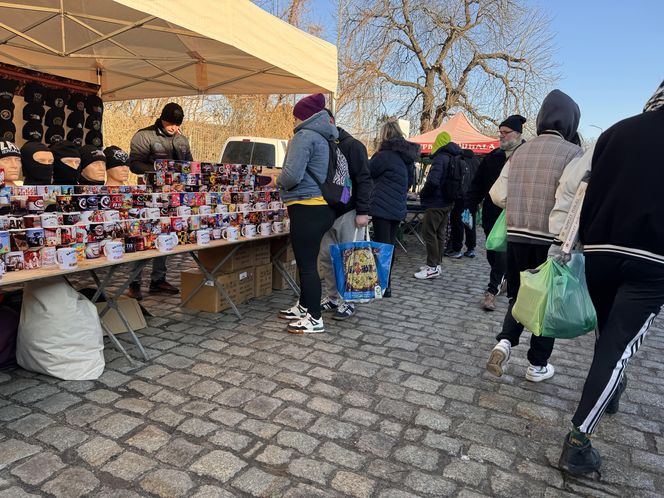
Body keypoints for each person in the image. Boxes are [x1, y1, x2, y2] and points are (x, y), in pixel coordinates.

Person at [550, 80, 664, 476]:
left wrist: (570, 244)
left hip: (601, 252)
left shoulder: (615, 132)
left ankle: (611, 389)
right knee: (616, 347)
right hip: (653, 258)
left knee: (607, 339)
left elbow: (584, 190)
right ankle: (578, 442)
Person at [486, 90, 582, 382]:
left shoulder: (520, 152)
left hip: (517, 235)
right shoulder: (573, 154)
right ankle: (537, 365)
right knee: (546, 304)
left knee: (519, 294)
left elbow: (497, 194)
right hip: (551, 240)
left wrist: (521, 202)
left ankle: (504, 342)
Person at [276, 93, 337, 334]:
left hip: (306, 206)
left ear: (304, 116)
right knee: (308, 262)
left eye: (296, 116)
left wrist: (276, 182)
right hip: (323, 206)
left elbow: (291, 175)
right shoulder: (327, 137)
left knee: (307, 264)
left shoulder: (304, 136)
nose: (294, 120)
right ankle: (304, 306)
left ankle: (314, 317)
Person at [128, 102, 192, 300]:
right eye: (171, 123)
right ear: (162, 119)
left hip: (174, 196)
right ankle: (134, 282)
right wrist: (160, 170)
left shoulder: (182, 140)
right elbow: (134, 164)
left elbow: (189, 164)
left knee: (166, 234)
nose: (174, 128)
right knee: (145, 235)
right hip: (150, 195)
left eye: (177, 124)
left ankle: (158, 280)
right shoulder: (144, 135)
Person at [466, 114, 526, 310]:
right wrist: (470, 206)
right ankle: (505, 277)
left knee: (503, 253)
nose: (501, 136)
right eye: (499, 132)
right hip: (492, 213)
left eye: (505, 133)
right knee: (493, 252)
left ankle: (491, 291)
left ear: (517, 134)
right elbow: (478, 184)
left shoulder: (528, 155)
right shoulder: (493, 156)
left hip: (517, 214)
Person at [318, 109, 372, 320]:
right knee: (326, 257)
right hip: (326, 212)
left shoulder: (353, 146)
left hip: (349, 212)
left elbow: (365, 179)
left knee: (352, 259)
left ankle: (349, 301)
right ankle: (332, 297)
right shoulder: (323, 145)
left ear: (330, 121)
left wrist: (363, 211)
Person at [369, 121, 420, 295]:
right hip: (397, 207)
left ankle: (382, 285)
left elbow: (367, 173)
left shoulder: (383, 156)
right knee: (389, 245)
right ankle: (386, 284)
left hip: (382, 207)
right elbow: (410, 182)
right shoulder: (407, 158)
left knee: (382, 247)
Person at [414, 131, 460, 279]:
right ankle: (436, 264)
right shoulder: (453, 157)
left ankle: (432, 266)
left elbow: (433, 181)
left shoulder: (440, 158)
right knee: (439, 233)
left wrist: (423, 194)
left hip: (436, 202)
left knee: (429, 233)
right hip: (447, 201)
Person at [445, 149, 480, 259]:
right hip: (472, 198)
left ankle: (457, 249)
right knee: (469, 223)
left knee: (458, 222)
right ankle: (471, 248)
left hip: (461, 197)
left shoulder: (459, 160)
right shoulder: (477, 161)